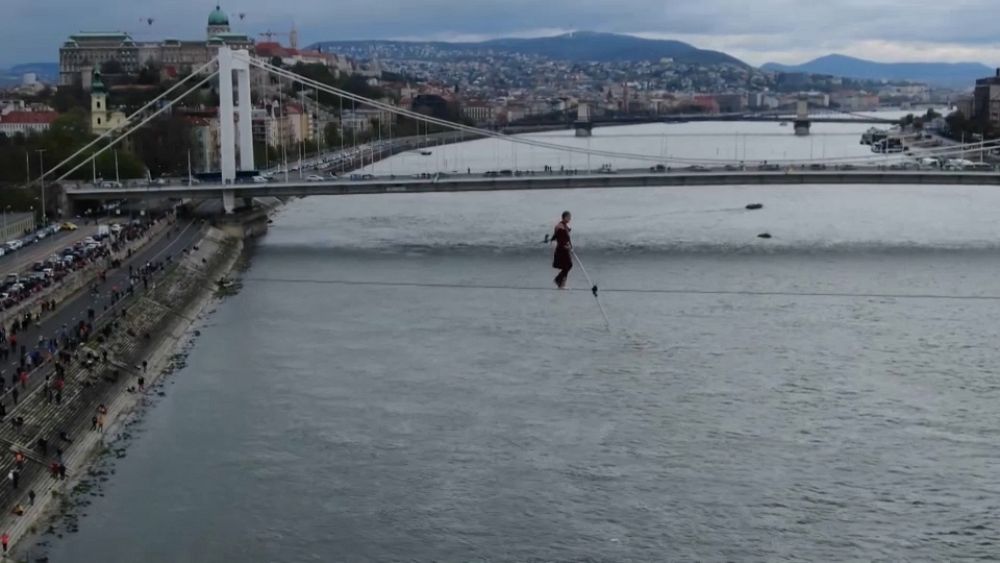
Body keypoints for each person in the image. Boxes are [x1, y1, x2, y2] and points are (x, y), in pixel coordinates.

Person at [549, 211, 573, 289]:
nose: (570, 219)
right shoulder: (560, 227)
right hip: (562, 250)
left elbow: (555, 237)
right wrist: (567, 247)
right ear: (565, 217)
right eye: (569, 217)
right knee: (568, 265)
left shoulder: (563, 226)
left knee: (566, 266)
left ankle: (561, 283)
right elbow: (561, 240)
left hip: (564, 249)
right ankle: (559, 281)